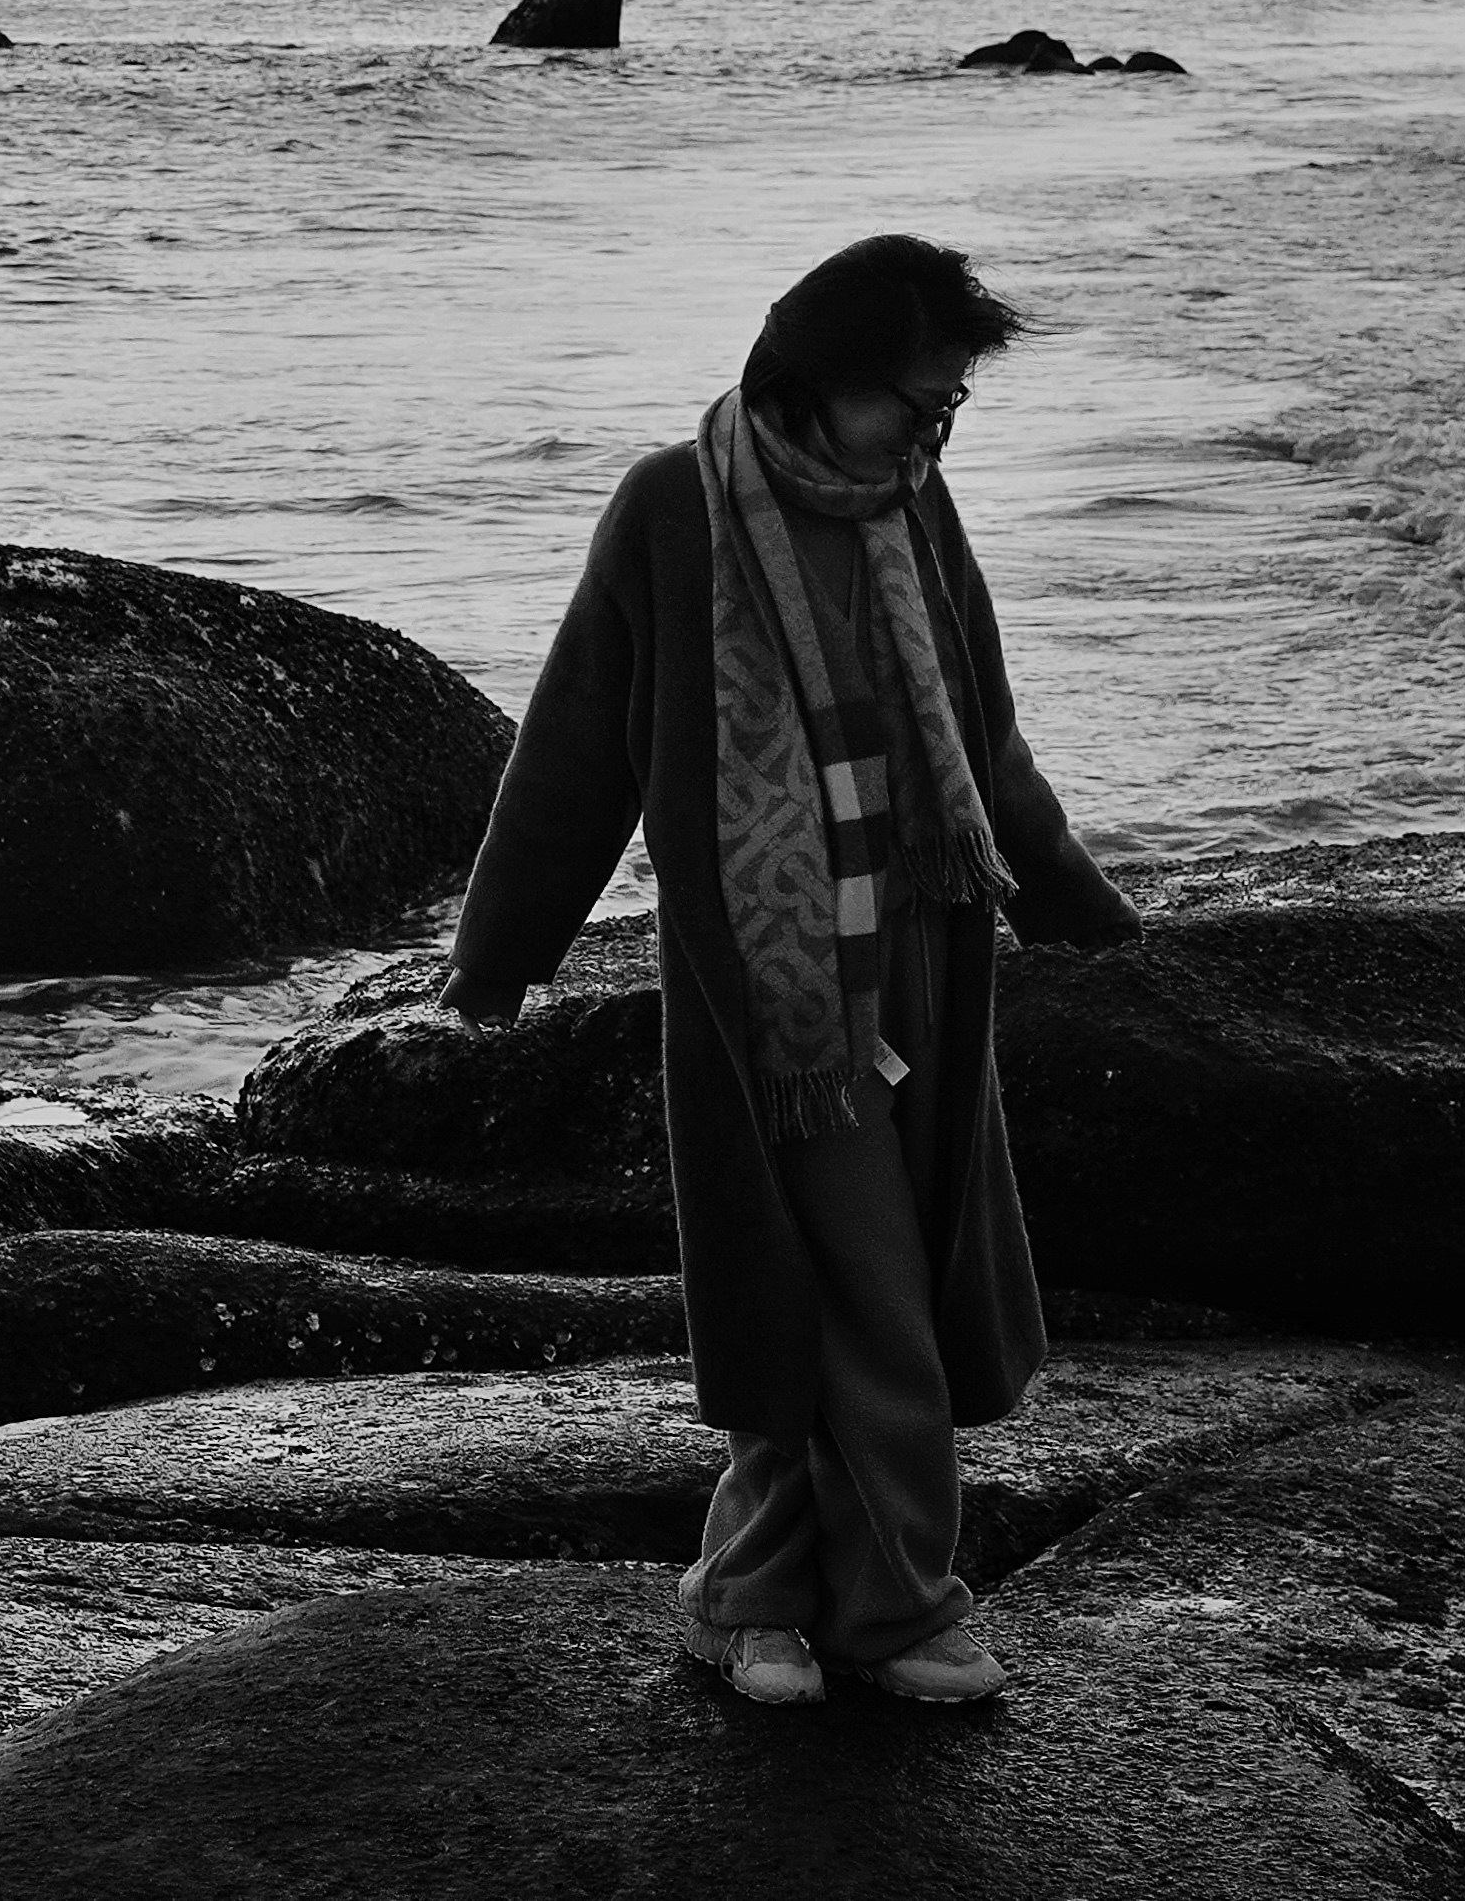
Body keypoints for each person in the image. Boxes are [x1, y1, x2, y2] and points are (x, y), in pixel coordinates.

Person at [437, 232, 1141, 1709]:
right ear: (814, 379)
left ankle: (749, 1594)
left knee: (829, 1297)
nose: (932, 431)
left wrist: (1075, 901)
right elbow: (577, 742)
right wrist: (494, 960)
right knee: (862, 1293)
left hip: (921, 968)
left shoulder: (912, 505)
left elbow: (983, 728)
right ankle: (897, 1607)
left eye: (951, 407)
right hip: (773, 997)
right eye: (915, 400)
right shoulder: (671, 508)